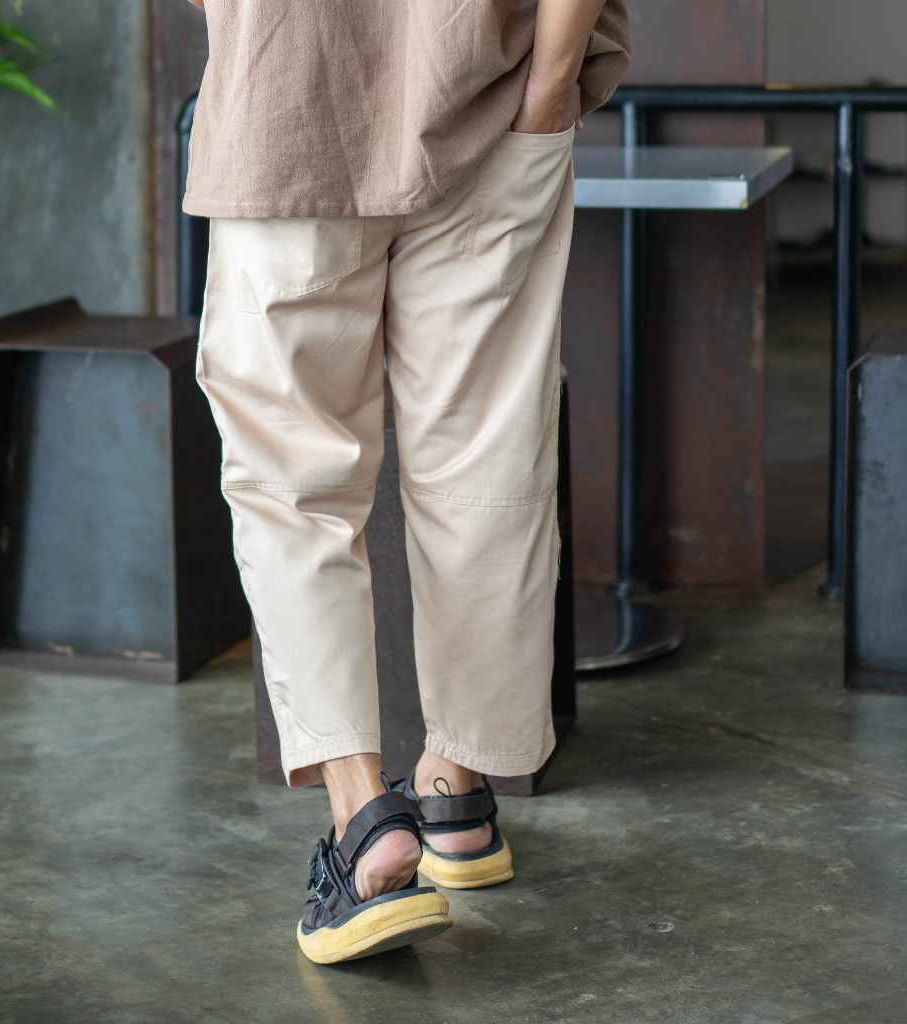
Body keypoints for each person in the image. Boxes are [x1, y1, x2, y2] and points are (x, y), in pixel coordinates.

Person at [183, 0, 629, 964]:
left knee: (293, 481)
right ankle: (456, 794)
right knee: (484, 460)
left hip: (283, 100)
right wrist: (548, 89)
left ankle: (364, 820)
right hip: (493, 93)